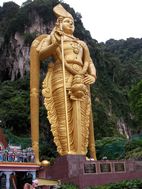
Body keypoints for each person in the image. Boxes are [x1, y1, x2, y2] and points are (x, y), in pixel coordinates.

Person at [30, 4, 97, 164]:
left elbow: (90, 62)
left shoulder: (81, 44)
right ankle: (67, 153)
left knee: (81, 117)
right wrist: (55, 43)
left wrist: (92, 75)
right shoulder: (54, 38)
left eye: (72, 23)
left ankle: (81, 153)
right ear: (59, 24)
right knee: (63, 117)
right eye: (67, 22)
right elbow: (40, 55)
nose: (71, 25)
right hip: (61, 76)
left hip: (81, 79)